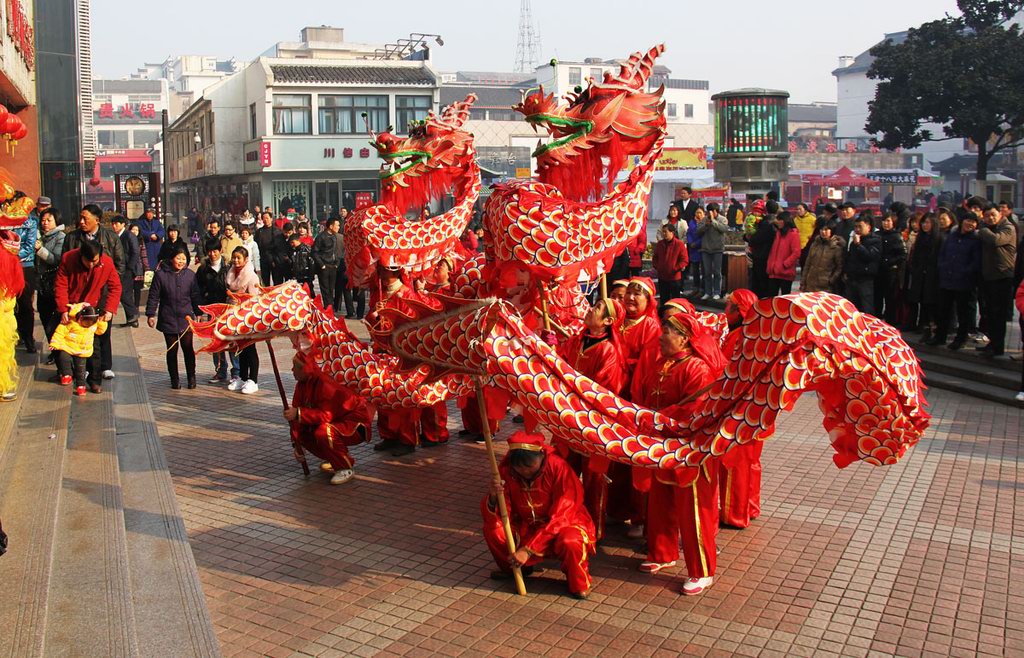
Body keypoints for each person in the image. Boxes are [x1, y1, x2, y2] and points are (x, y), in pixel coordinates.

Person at [631, 306, 723, 595]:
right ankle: (662, 552)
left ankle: (702, 570)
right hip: (662, 443)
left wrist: (661, 417)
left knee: (694, 509)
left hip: (691, 449)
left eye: (667, 332)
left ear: (684, 339)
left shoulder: (697, 368)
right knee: (661, 501)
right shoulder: (661, 364)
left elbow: (696, 409)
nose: (661, 337)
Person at [482, 431, 597, 599]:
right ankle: (514, 568)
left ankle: (579, 582)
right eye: (519, 467)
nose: (524, 472)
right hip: (526, 525)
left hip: (565, 523)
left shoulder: (559, 467)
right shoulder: (506, 471)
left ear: (541, 456)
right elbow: (502, 512)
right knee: (494, 529)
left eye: (529, 466)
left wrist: (528, 550)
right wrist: (493, 498)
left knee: (571, 540)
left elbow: (562, 515)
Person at [557, 298, 627, 540]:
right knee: (563, 472)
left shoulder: (608, 351)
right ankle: (561, 523)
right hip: (567, 421)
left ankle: (592, 531)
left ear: (608, 321)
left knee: (594, 480)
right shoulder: (577, 340)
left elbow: (606, 390)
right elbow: (559, 365)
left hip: (593, 425)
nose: (590, 309)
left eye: (597, 308)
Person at [285, 351, 373, 485]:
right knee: (304, 434)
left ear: (304, 369)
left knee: (323, 432)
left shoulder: (325, 383)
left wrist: (298, 413)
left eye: (295, 367)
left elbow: (326, 415)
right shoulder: (301, 384)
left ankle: (344, 467)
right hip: (333, 422)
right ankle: (336, 458)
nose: (292, 370)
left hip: (353, 424)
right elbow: (297, 420)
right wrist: (296, 445)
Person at [367, 264, 426, 456]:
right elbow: (371, 320)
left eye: (384, 270)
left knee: (403, 397)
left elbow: (411, 324)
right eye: (380, 270)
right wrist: (375, 316)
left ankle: (407, 438)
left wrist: (388, 319)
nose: (381, 274)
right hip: (381, 351)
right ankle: (389, 435)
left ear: (395, 271)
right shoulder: (380, 293)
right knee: (382, 393)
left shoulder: (406, 294)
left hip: (400, 353)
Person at [63, 204, 124, 382]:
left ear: (97, 220)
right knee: (81, 330)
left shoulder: (110, 237)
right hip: (80, 295)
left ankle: (105, 366)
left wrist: (104, 281)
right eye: (80, 218)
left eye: (86, 219)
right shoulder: (72, 238)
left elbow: (120, 264)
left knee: (102, 331)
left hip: (103, 292)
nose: (81, 222)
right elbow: (66, 265)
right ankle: (87, 368)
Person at [719, 288, 763, 528]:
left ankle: (734, 513)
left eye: (728, 307)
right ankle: (749, 506)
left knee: (735, 462)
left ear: (739, 311)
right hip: (755, 411)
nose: (725, 312)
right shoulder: (750, 334)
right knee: (751, 462)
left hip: (741, 411)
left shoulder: (742, 337)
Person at [53, 240, 121, 393]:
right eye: (87, 261)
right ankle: (68, 372)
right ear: (81, 255)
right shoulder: (68, 258)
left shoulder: (107, 263)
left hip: (91, 309)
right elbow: (61, 285)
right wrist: (63, 309)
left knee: (94, 347)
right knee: (64, 344)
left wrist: (109, 309)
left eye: (95, 261)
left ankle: (95, 381)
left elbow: (115, 287)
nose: (91, 265)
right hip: (72, 307)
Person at [146, 246, 202, 389]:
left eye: (184, 259)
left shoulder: (190, 275)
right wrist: (151, 314)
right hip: (168, 317)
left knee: (188, 348)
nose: (181, 261)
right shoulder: (161, 275)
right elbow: (154, 295)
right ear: (172, 258)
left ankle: (191, 377)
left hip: (186, 318)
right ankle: (174, 379)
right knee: (172, 350)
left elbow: (195, 296)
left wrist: (199, 313)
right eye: (178, 258)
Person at [933, 215, 981, 349]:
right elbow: (942, 254)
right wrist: (942, 267)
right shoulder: (952, 236)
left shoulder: (976, 239)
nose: (970, 224)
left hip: (964, 281)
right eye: (967, 220)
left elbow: (976, 262)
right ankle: (940, 336)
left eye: (973, 222)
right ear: (962, 221)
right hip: (947, 279)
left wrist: (965, 271)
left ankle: (960, 338)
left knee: (963, 312)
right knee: (943, 310)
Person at [976, 204, 1017, 357]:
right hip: (988, 276)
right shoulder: (988, 229)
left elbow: (996, 241)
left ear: (1000, 214)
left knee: (999, 314)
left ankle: (998, 347)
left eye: (993, 214)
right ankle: (992, 343)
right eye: (987, 216)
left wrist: (982, 230)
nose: (990, 218)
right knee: (989, 313)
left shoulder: (1008, 227)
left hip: (1002, 276)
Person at [195, 240, 235, 383]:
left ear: (220, 250)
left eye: (215, 251)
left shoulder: (229, 267)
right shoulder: (203, 269)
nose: (212, 254)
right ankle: (220, 371)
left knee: (232, 340)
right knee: (216, 340)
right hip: (211, 309)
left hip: (228, 309)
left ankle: (236, 372)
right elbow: (197, 290)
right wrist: (199, 310)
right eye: (210, 251)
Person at [49, 303, 108, 396]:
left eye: (90, 322)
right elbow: (60, 332)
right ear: (80, 317)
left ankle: (81, 386)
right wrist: (55, 343)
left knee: (81, 369)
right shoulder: (71, 322)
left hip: (82, 350)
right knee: (63, 357)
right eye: (85, 322)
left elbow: (100, 331)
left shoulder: (93, 325)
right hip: (68, 346)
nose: (87, 325)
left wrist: (102, 321)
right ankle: (67, 374)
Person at [225, 246, 261, 394]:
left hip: (248, 317)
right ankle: (242, 377)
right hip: (234, 317)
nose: (236, 260)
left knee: (250, 349)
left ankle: (253, 380)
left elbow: (254, 300)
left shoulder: (251, 277)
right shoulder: (231, 274)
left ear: (246, 259)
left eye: (239, 258)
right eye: (234, 257)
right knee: (240, 349)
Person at [34, 208, 66, 355]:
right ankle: (54, 353)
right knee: (44, 317)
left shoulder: (61, 237)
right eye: (43, 220)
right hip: (41, 284)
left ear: (56, 221)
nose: (45, 223)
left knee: (54, 323)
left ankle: (60, 355)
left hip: (53, 283)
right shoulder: (40, 236)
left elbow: (56, 259)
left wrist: (40, 250)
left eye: (49, 220)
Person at [906, 213, 940, 340]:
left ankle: (932, 329)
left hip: (932, 275)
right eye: (924, 223)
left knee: (930, 303)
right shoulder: (920, 238)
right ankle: (924, 328)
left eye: (928, 223)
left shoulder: (938, 238)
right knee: (920, 301)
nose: (925, 225)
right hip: (919, 274)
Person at [12, 200, 38, 352]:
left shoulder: (30, 222)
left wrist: (11, 258)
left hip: (24, 267)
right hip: (5, 267)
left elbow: (29, 246)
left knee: (25, 304)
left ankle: (28, 337)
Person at [843, 215, 882, 314]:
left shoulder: (875, 240)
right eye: (855, 227)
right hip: (852, 279)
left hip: (865, 279)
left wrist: (859, 245)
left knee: (866, 308)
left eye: (860, 227)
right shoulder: (853, 243)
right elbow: (849, 259)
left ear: (868, 227)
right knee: (852, 309)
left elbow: (870, 256)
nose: (857, 229)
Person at [875, 214, 908, 325]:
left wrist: (889, 261)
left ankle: (891, 322)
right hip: (878, 271)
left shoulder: (896, 236)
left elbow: (903, 254)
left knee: (890, 299)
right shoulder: (877, 234)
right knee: (877, 298)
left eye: (888, 221)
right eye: (884, 221)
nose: (885, 223)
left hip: (890, 272)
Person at [111, 215, 141, 328]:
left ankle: (133, 313)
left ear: (123, 224)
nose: (114, 226)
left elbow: (135, 252)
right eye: (113, 224)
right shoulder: (114, 236)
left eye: (117, 224)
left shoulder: (129, 235)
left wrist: (130, 268)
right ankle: (132, 320)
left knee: (123, 293)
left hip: (127, 269)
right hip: (118, 268)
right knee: (126, 294)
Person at [800, 221, 844, 294]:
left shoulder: (836, 247)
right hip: (810, 285)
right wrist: (803, 281)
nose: (823, 232)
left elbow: (839, 267)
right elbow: (808, 264)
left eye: (826, 230)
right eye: (821, 229)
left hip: (826, 287)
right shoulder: (815, 244)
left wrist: (831, 280)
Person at [747, 200, 778, 298]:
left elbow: (755, 239)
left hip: (761, 257)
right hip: (772, 257)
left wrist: (748, 238)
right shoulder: (778, 222)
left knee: (760, 285)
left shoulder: (766, 223)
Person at [766, 211, 801, 296]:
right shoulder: (778, 233)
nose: (777, 222)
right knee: (771, 299)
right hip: (773, 272)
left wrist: (785, 264)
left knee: (784, 300)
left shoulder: (793, 234)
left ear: (785, 221)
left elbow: (796, 253)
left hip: (785, 273)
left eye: (779, 220)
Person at [652, 224, 687, 308]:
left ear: (672, 232)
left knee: (675, 301)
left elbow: (684, 260)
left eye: (665, 232)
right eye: (663, 232)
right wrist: (658, 266)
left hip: (674, 277)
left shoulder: (679, 244)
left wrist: (675, 268)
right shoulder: (660, 244)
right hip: (662, 276)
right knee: (664, 300)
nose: (664, 234)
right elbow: (655, 257)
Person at [698, 203, 728, 300]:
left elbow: (723, 229)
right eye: (708, 211)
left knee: (717, 272)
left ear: (716, 211)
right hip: (706, 249)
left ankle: (717, 292)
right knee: (707, 272)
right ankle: (707, 292)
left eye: (711, 211)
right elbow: (697, 231)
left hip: (718, 249)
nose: (709, 214)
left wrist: (713, 221)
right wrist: (706, 225)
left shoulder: (723, 219)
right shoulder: (704, 219)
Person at [254, 212, 284, 286]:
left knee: (277, 282)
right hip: (264, 259)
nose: (265, 220)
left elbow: (280, 247)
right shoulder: (259, 232)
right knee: (265, 282)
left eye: (267, 218)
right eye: (263, 218)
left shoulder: (278, 231)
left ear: (271, 219)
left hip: (275, 259)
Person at [136, 207, 164, 271]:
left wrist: (157, 235)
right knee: (148, 265)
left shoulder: (156, 221)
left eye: (152, 213)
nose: (150, 215)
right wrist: (150, 235)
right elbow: (140, 231)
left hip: (156, 245)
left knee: (158, 264)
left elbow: (162, 230)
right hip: (146, 245)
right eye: (148, 213)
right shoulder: (140, 222)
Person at [684, 206, 704, 293]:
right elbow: (689, 233)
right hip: (693, 249)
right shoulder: (692, 222)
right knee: (695, 270)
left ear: (704, 214)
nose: (698, 214)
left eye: (700, 213)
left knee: (704, 270)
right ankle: (696, 287)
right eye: (697, 212)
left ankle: (703, 288)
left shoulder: (705, 222)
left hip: (702, 248)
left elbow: (703, 235)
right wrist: (690, 242)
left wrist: (696, 243)